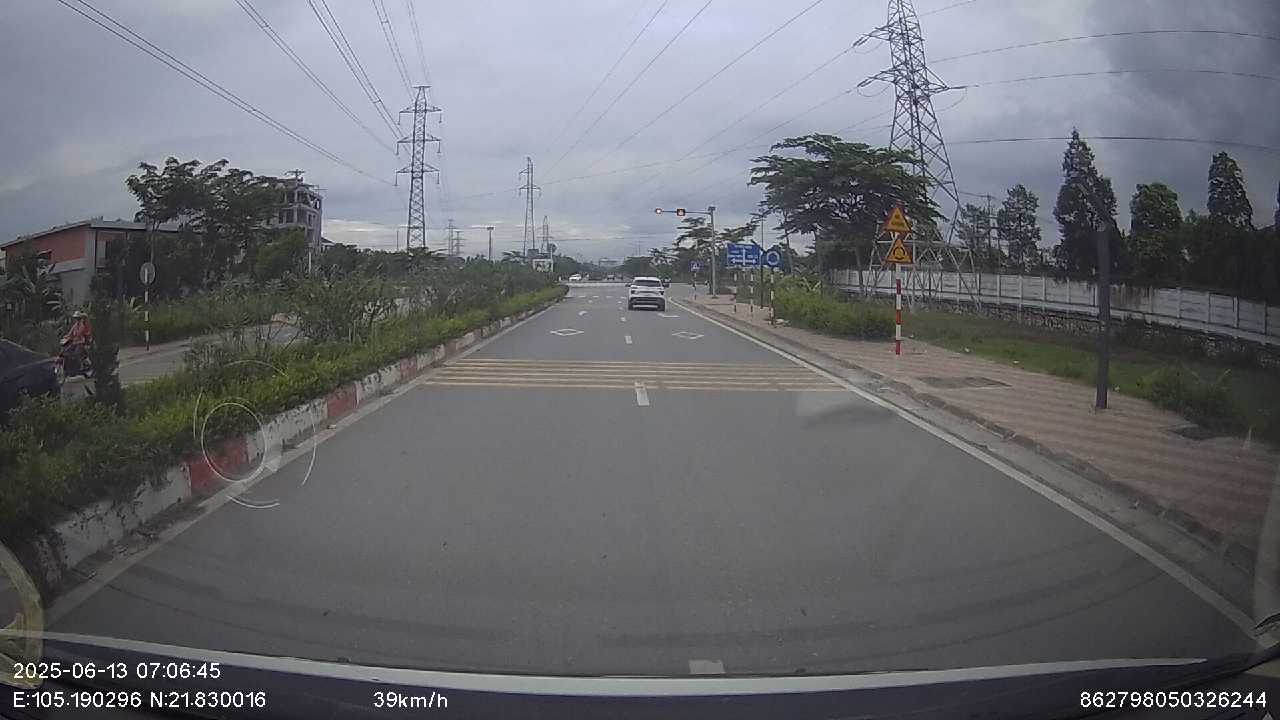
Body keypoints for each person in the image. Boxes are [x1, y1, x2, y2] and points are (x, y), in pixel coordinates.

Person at [61, 310, 93, 375]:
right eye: (76, 318)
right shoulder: (75, 325)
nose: (77, 320)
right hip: (74, 342)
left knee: (76, 353)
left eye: (78, 318)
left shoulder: (82, 325)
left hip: (81, 342)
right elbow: (70, 333)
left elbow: (80, 333)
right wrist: (66, 337)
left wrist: (73, 337)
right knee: (67, 351)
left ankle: (81, 365)